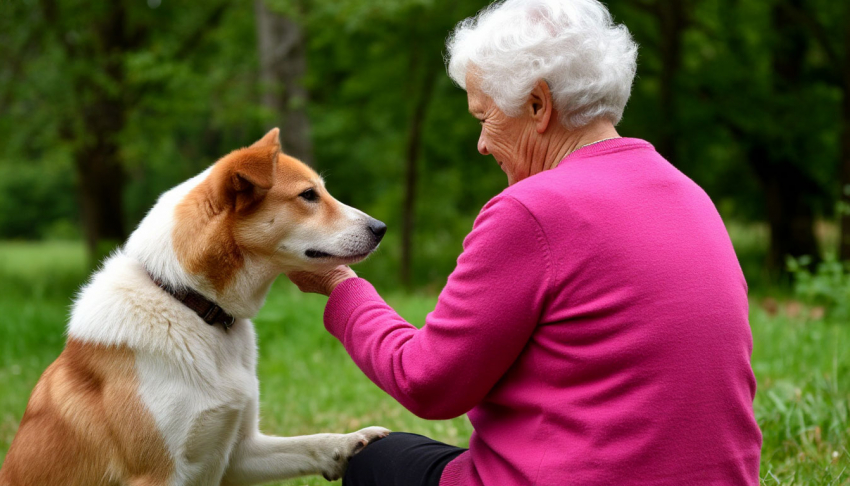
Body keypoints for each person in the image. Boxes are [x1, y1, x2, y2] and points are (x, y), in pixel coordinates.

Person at [288, 0, 763, 484]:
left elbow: (428, 383)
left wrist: (341, 287)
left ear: (538, 105)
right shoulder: (689, 193)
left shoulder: (534, 209)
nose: (482, 144)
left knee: (374, 459)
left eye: (484, 117)